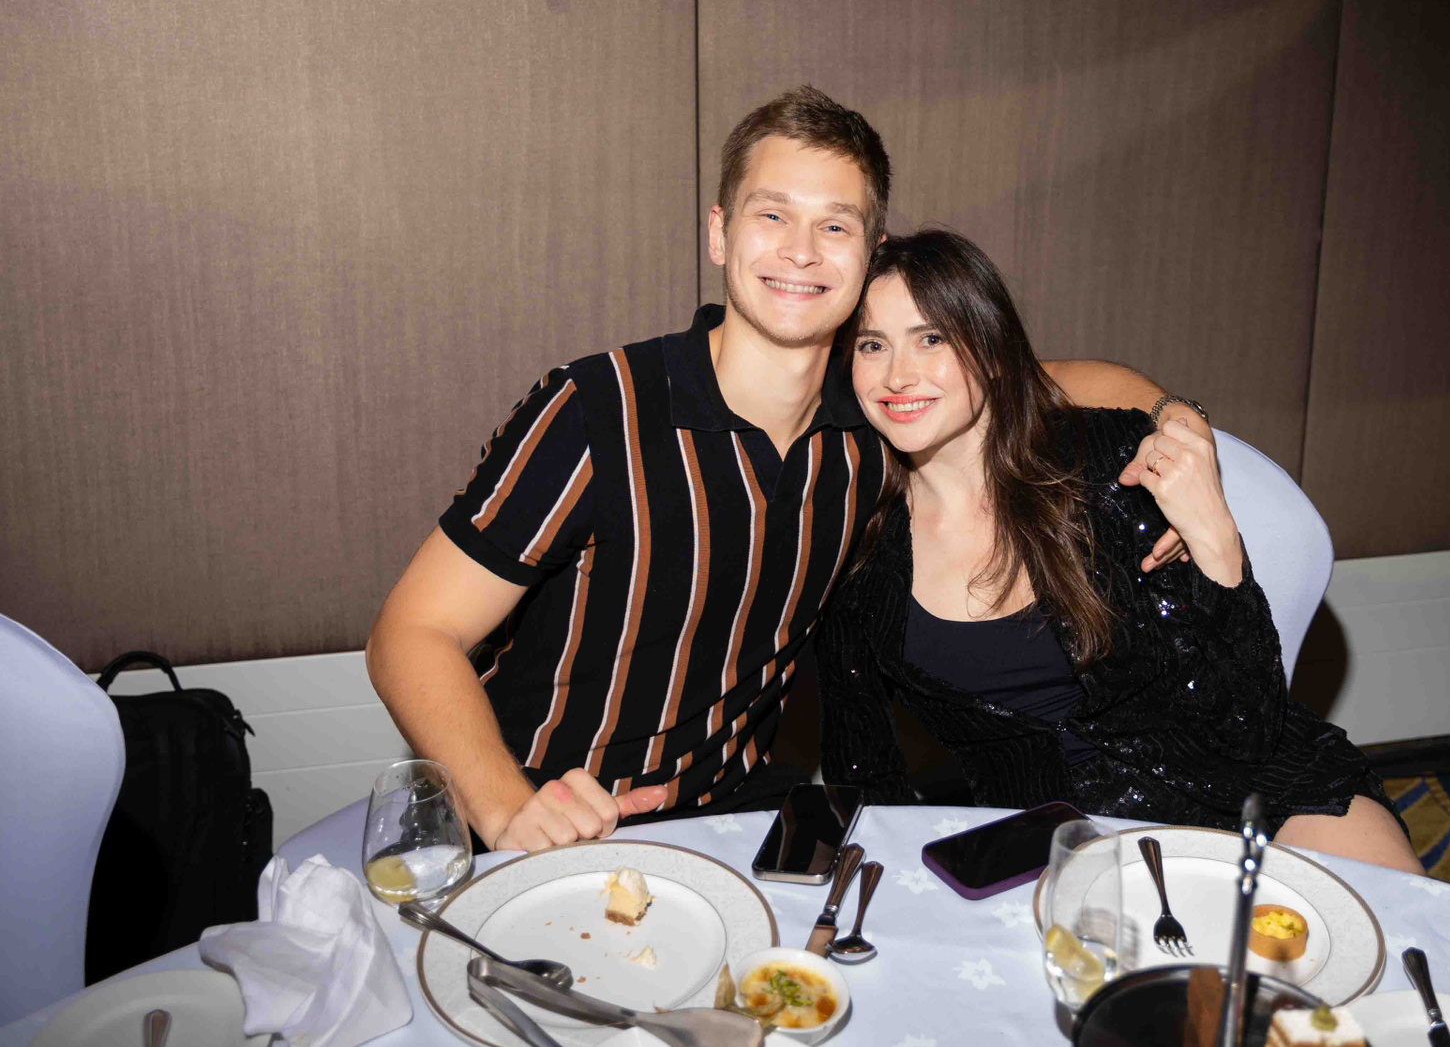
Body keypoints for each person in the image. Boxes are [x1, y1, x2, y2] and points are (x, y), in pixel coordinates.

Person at [367, 87, 1209, 853]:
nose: (801, 251)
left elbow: (1051, 380)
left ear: (871, 254)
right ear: (719, 232)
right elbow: (411, 633)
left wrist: (1180, 426)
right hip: (545, 818)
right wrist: (507, 809)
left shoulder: (881, 414)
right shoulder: (598, 410)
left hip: (732, 820)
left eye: (835, 226)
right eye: (772, 215)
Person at [816, 230, 1423, 872]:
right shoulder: (857, 547)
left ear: (991, 350)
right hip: (1059, 843)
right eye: (873, 345)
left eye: (932, 338)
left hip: (1261, 787)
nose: (899, 375)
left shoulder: (1107, 465)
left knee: (1391, 923)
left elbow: (1245, 729)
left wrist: (1216, 537)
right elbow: (863, 767)